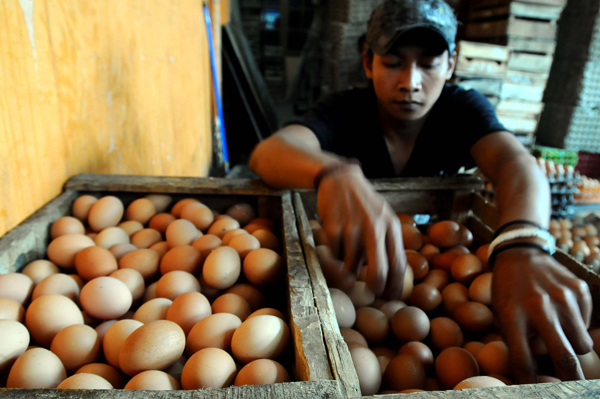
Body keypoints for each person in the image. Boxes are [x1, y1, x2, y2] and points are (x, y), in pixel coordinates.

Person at [249, 0, 593, 384]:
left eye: (428, 64)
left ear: (450, 63)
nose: (410, 81)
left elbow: (515, 163)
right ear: (368, 62)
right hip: (370, 282)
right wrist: (333, 171)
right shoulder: (346, 110)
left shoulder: (462, 110)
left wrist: (523, 242)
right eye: (393, 62)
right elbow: (269, 153)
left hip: (428, 261)